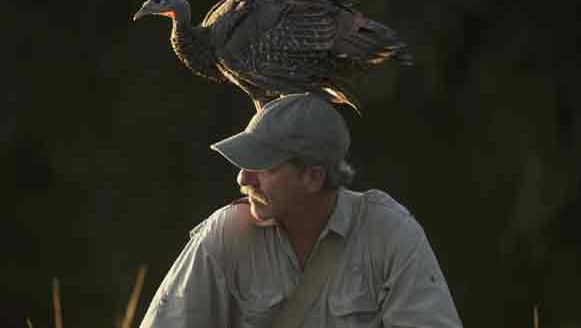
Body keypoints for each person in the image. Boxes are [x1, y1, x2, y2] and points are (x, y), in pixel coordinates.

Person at [140, 94, 463, 327]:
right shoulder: (224, 236)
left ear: (312, 177)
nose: (243, 178)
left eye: (262, 166)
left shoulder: (390, 235)